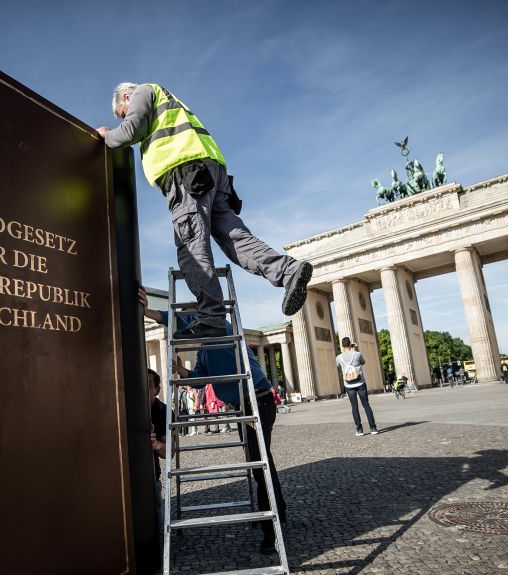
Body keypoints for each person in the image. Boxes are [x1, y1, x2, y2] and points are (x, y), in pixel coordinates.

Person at [98, 83, 312, 339]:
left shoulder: (144, 92)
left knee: (191, 247)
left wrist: (105, 137)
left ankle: (211, 317)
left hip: (185, 174)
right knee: (236, 239)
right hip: (211, 175)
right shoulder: (170, 103)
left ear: (125, 96)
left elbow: (133, 129)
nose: (125, 116)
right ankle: (288, 271)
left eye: (123, 112)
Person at [138, 287, 286, 554]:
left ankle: (271, 529)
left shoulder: (222, 327)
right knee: (260, 461)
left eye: (193, 319)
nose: (191, 325)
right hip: (244, 406)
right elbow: (199, 379)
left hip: (259, 401)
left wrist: (150, 312)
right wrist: (181, 370)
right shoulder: (206, 348)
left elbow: (183, 320)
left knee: (259, 462)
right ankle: (278, 512)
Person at [148, 368, 174, 529]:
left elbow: (170, 452)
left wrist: (155, 444)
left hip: (150, 478)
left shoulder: (163, 411)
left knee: (155, 529)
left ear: (157, 390)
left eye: (148, 384)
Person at [336, 338, 378, 436]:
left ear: (342, 346)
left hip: (348, 385)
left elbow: (338, 366)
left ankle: (359, 430)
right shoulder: (357, 354)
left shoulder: (338, 357)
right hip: (360, 383)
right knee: (366, 405)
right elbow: (363, 362)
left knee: (354, 407)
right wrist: (354, 349)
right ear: (350, 344)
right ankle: (373, 428)